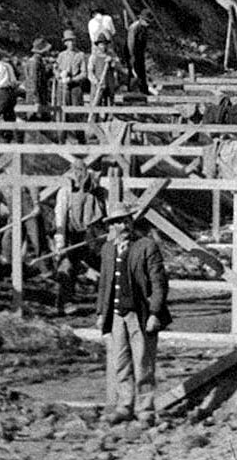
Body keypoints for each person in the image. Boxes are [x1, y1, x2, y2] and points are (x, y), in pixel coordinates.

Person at [95, 202, 170, 425]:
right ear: (111, 226)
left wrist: (155, 312)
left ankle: (145, 410)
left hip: (141, 313)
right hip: (117, 314)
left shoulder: (146, 246)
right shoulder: (108, 249)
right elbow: (104, 283)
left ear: (131, 221)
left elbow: (159, 283)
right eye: (117, 222)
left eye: (125, 220)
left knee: (143, 363)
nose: (122, 225)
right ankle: (124, 406)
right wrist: (101, 312)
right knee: (121, 362)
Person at [52, 160, 104, 313]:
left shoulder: (94, 188)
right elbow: (60, 215)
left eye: (82, 171)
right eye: (76, 171)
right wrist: (60, 242)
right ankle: (64, 304)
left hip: (88, 233)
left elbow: (104, 208)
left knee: (102, 263)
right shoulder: (65, 191)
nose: (79, 175)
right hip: (70, 233)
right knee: (67, 266)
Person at [23, 37, 54, 121]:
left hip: (39, 97)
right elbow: (34, 81)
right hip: (36, 98)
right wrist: (36, 101)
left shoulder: (38, 61)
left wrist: (50, 70)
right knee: (36, 122)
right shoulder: (34, 62)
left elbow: (41, 78)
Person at [87, 36, 120, 111]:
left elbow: (118, 66)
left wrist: (112, 61)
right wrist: (96, 82)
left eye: (105, 44)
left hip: (109, 85)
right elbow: (90, 72)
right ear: (98, 45)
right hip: (98, 85)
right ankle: (94, 119)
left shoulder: (111, 55)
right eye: (101, 44)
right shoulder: (94, 57)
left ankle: (108, 120)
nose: (103, 46)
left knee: (109, 104)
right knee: (96, 104)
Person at [125, 11, 152, 94]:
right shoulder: (134, 27)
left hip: (140, 52)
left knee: (141, 71)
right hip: (132, 52)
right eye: (146, 21)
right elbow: (130, 42)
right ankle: (133, 90)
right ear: (141, 19)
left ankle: (143, 90)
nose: (148, 23)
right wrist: (132, 55)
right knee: (134, 71)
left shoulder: (144, 28)